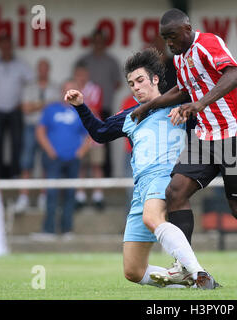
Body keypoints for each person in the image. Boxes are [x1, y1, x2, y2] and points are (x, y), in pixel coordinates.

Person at [130, 8, 237, 289]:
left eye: (172, 37)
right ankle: (185, 266)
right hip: (205, 137)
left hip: (235, 134)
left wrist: (200, 103)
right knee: (175, 192)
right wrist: (150, 105)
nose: (169, 43)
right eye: (165, 39)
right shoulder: (180, 57)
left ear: (186, 28)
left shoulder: (208, 43)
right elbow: (184, 89)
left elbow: (235, 74)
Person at [65, 48, 218, 289]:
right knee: (133, 271)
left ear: (155, 79)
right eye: (131, 83)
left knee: (152, 217)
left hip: (165, 176)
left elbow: (209, 117)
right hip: (140, 187)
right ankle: (190, 283)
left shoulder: (180, 104)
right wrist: (81, 106)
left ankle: (199, 273)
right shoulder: (131, 115)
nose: (135, 87)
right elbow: (100, 133)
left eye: (140, 80)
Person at [30, 80, 92, 241]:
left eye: (72, 90)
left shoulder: (81, 111)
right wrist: (49, 150)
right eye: (66, 90)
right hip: (53, 159)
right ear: (61, 92)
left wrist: (81, 152)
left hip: (73, 159)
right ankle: (49, 230)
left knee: (71, 195)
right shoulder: (51, 109)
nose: (69, 94)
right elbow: (40, 131)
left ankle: (67, 230)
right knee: (51, 194)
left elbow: (90, 132)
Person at [0, 33, 35, 178]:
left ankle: (15, 174)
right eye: (3, 45)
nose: (6, 48)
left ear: (12, 47)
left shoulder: (21, 65)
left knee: (17, 143)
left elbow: (30, 84)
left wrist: (22, 102)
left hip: (15, 110)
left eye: (8, 45)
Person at [14, 58, 61, 213]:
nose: (42, 71)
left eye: (45, 68)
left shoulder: (55, 88)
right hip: (31, 127)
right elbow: (26, 109)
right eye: (40, 68)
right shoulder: (29, 87)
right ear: (37, 70)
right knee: (26, 162)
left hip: (49, 129)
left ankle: (43, 196)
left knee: (46, 163)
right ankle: (24, 197)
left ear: (49, 70)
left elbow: (55, 108)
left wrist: (36, 105)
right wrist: (44, 105)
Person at [77, 29, 123, 178]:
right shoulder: (84, 60)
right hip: (84, 108)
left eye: (100, 41)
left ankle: (106, 176)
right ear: (91, 42)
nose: (98, 44)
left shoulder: (111, 61)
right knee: (82, 140)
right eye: (95, 41)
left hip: (104, 107)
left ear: (104, 42)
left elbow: (117, 83)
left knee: (105, 141)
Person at [72, 62, 105, 210]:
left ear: (87, 74)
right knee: (81, 165)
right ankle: (80, 195)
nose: (81, 77)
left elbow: (95, 108)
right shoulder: (71, 89)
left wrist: (79, 104)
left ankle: (98, 196)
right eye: (78, 74)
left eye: (83, 74)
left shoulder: (95, 88)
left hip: (94, 131)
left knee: (96, 164)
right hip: (78, 133)